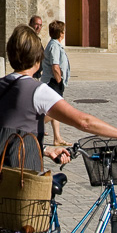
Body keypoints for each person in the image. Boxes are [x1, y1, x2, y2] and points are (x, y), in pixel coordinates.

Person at [0, 24, 117, 211]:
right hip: (21, 174)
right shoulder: (38, 91)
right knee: (32, 224)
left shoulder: (0, 85)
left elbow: (10, 132)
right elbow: (83, 122)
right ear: (38, 59)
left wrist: (46, 150)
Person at [40, 20, 72, 149]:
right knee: (54, 110)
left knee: (55, 108)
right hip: (52, 82)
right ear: (61, 33)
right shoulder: (54, 46)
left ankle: (57, 138)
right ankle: (33, 127)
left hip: (53, 81)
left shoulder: (55, 45)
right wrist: (59, 81)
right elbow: (55, 66)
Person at [28, 15, 44, 80]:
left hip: (37, 74)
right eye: (36, 24)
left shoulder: (37, 39)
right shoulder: (28, 39)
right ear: (30, 24)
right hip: (31, 75)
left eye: (40, 25)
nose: (38, 27)